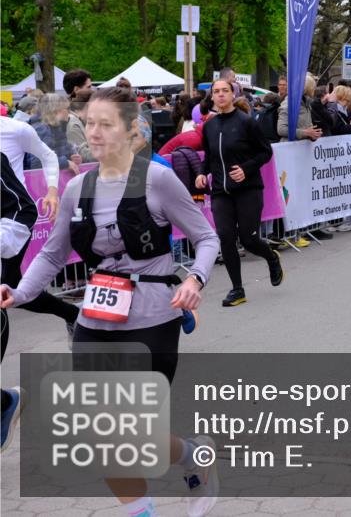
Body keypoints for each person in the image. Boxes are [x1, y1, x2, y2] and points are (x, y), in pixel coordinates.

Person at [1, 86, 222, 516]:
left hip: (152, 316)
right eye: (90, 124)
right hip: (96, 318)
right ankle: (144, 508)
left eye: (107, 124)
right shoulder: (77, 188)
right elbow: (53, 253)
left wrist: (195, 279)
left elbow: (206, 237)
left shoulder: (156, 179)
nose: (95, 133)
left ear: (131, 129)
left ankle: (195, 456)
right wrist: (20, 292)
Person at [196, 79, 284, 307]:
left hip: (248, 190)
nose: (221, 95)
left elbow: (265, 153)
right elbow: (208, 156)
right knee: (226, 237)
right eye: (216, 92)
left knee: (249, 239)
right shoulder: (209, 126)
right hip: (221, 192)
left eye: (225, 91)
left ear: (233, 95)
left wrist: (246, 169)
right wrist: (200, 173)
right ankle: (237, 289)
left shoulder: (246, 123)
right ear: (212, 97)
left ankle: (271, 257)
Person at [0, 115, 80, 340]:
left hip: (13, 218)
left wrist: (52, 191)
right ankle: (72, 314)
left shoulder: (16, 129)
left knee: (4, 290)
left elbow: (47, 155)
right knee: (13, 288)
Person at [28, 94, 81, 175]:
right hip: (42, 183)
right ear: (55, 110)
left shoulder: (57, 126)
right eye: (67, 108)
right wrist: (65, 163)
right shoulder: (41, 129)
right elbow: (36, 163)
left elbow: (59, 154)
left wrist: (72, 157)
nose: (70, 112)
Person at [277, 74, 323, 142]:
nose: (314, 89)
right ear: (307, 88)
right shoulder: (289, 104)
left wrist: (313, 134)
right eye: (313, 87)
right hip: (290, 148)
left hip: (302, 148)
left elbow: (306, 126)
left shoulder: (306, 103)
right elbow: (281, 129)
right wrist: (305, 133)